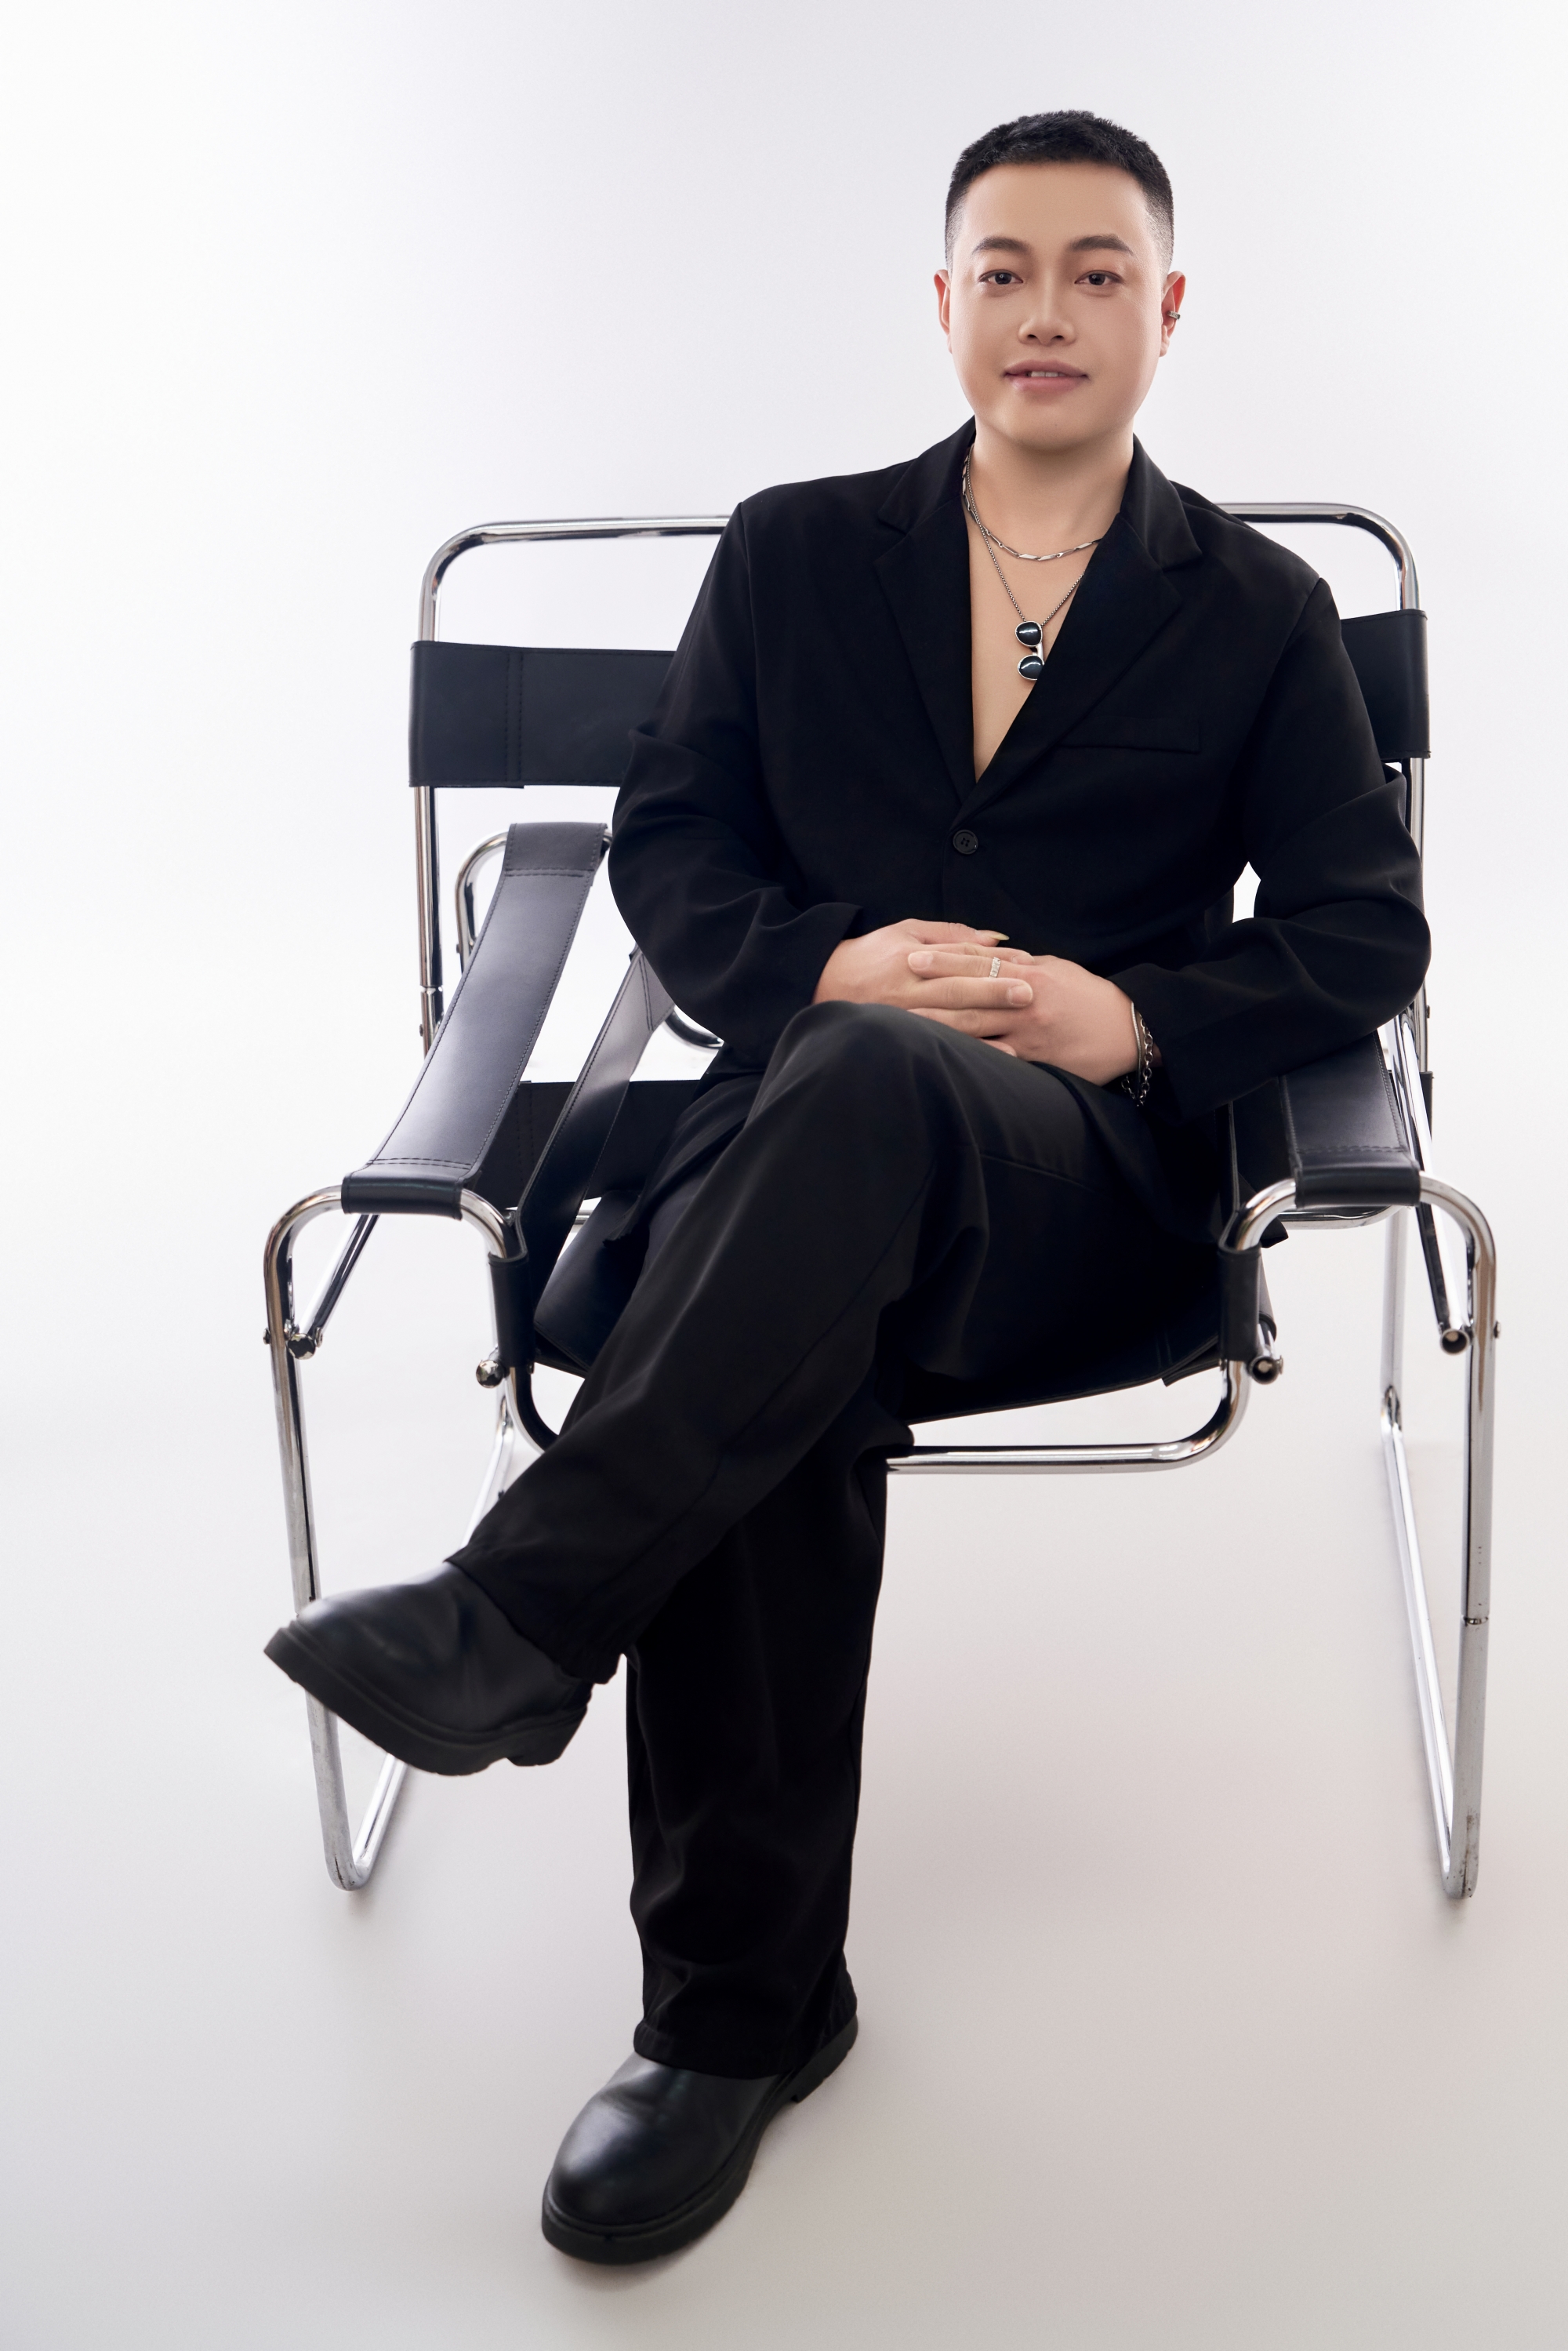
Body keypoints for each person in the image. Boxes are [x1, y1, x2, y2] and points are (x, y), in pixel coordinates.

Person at [266, 110, 1428, 2262]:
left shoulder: (1257, 611)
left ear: (1168, 311)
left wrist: (1130, 1016)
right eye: (1007, 269)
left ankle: (529, 1621)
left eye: (1098, 272)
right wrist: (821, 966)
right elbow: (673, 837)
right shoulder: (797, 552)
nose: (1049, 311)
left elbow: (1366, 933)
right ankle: (738, 2020)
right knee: (781, 1299)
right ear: (945, 302)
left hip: (1070, 1206)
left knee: (804, 1203)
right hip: (781, 1176)